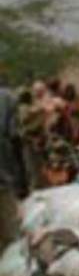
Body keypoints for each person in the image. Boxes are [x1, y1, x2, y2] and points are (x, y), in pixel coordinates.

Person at [0, 73, 24, 252]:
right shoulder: (8, 96)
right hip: (2, 148)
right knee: (5, 192)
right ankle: (10, 248)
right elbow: (13, 130)